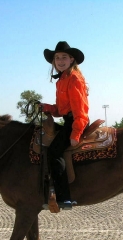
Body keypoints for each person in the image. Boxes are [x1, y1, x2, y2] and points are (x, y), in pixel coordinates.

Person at [41, 41, 89, 210]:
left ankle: (64, 197)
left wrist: (76, 133)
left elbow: (79, 109)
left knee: (54, 151)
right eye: (57, 58)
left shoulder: (74, 78)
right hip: (69, 119)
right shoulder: (62, 80)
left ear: (71, 60)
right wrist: (46, 107)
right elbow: (61, 110)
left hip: (76, 120)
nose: (60, 61)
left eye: (64, 57)